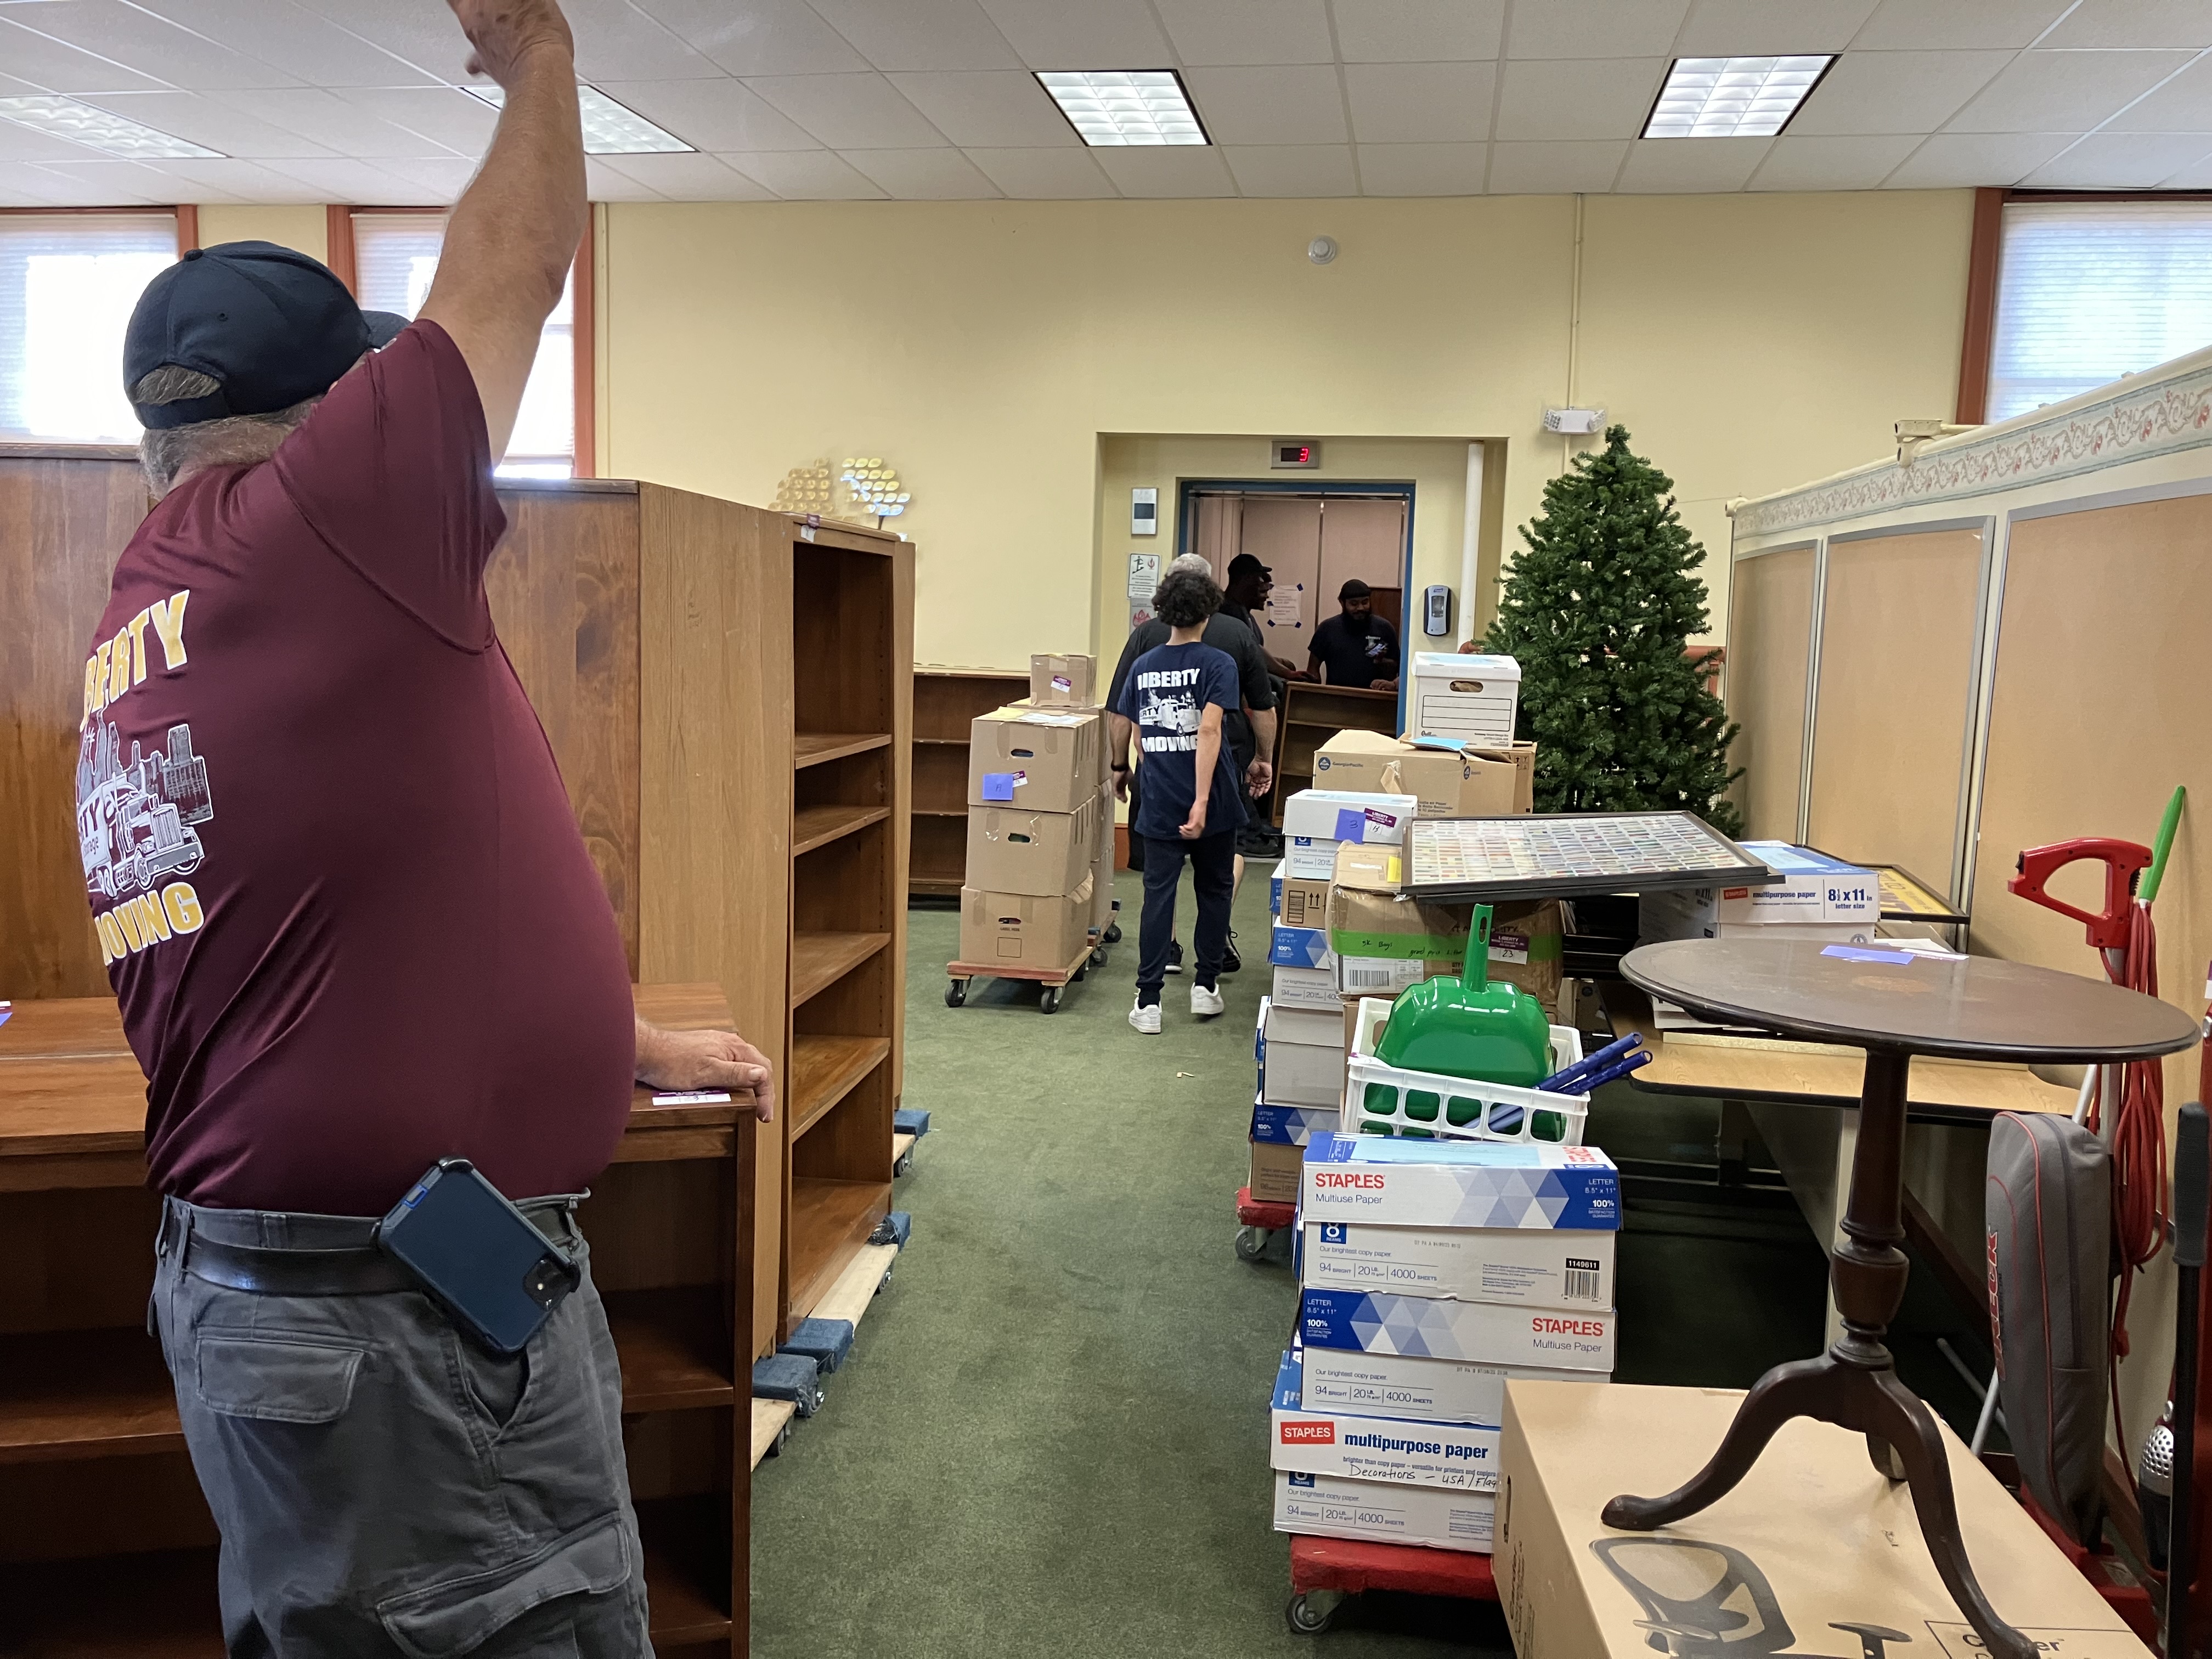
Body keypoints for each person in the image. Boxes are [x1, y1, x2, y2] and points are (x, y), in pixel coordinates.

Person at [83, 0, 771, 1648]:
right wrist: (538, 51)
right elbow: (514, 267)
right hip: (396, 1336)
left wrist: (611, 1046)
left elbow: (376, 898)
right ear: (341, 412)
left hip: (308, 1303)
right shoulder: (321, 525)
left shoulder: (153, 602)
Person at [1105, 553, 1275, 972]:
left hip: (1159, 768)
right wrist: (1263, 758)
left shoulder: (1146, 638)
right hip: (1222, 765)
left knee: (1160, 872)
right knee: (1226, 855)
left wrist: (1118, 765)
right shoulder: (1236, 634)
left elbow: (1119, 713)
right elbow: (1263, 707)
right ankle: (1215, 941)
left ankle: (1171, 950)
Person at [1222, 551, 1304, 681]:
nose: (1261, 581)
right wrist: (1287, 674)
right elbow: (1253, 651)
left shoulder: (1243, 612)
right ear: (1247, 579)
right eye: (1258, 577)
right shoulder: (1229, 610)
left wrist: (1285, 668)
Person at [1308, 577, 1401, 691]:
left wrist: (1391, 680)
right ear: (1342, 603)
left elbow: (1400, 668)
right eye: (1354, 604)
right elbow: (1312, 669)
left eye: (1365, 602)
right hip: (1337, 700)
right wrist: (1315, 693)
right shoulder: (1326, 629)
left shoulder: (1385, 628)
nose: (1361, 608)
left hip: (1376, 700)